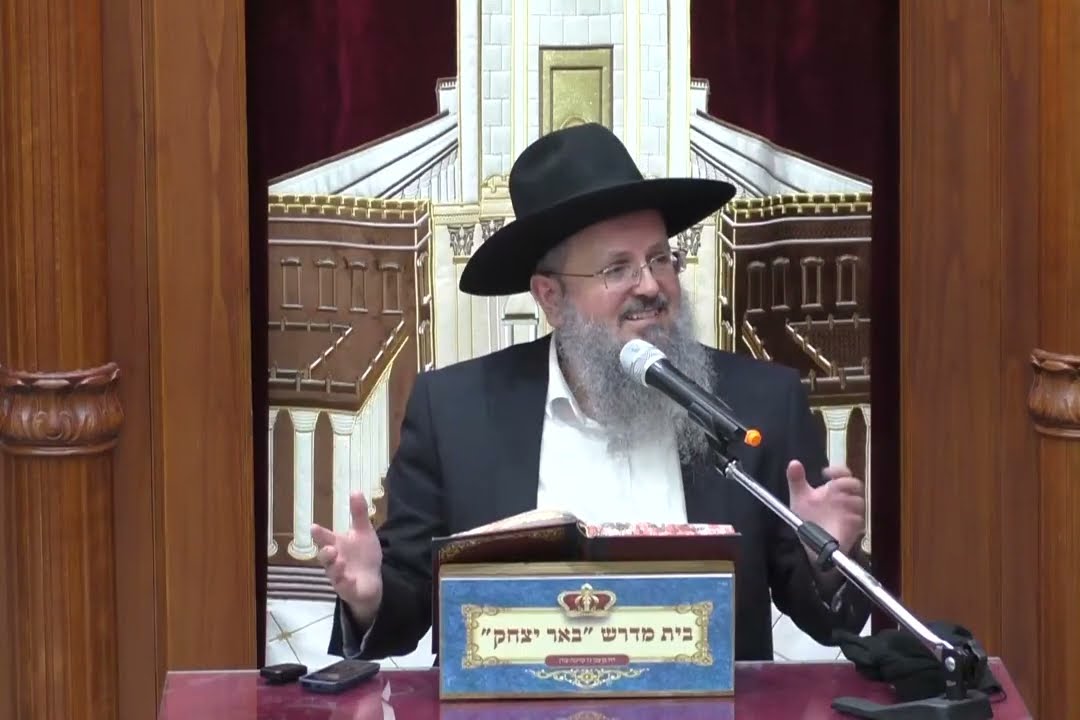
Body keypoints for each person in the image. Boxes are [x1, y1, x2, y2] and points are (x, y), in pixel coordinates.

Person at [314, 122, 871, 663]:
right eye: (617, 269)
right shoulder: (455, 412)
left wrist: (825, 558)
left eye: (660, 258)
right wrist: (369, 596)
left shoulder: (757, 404)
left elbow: (829, 623)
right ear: (550, 297)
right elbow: (406, 604)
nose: (650, 285)